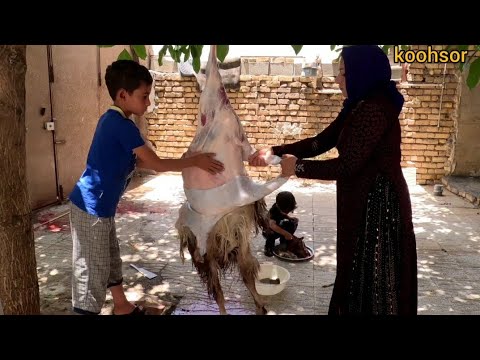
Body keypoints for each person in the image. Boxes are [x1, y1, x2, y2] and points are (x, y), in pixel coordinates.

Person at [249, 45, 417, 315]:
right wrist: (276, 151)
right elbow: (322, 142)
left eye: (343, 73)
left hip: (379, 206)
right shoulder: (357, 106)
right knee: (356, 269)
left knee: (374, 273)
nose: (338, 79)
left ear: (362, 73)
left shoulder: (376, 110)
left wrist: (298, 168)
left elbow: (347, 165)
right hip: (361, 198)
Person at [68, 60, 224, 315]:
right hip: (90, 208)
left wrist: (185, 156)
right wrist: (195, 161)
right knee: (91, 271)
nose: (148, 103)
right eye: (144, 96)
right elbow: (156, 164)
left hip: (100, 207)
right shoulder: (120, 125)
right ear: (122, 95)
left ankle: (122, 306)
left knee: (110, 257)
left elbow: (145, 157)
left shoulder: (116, 121)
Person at [262, 191, 298, 257]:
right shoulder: (273, 210)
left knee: (293, 223)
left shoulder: (280, 207)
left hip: (277, 226)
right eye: (285, 211)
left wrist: (289, 218)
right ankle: (268, 248)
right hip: (269, 230)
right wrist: (286, 233)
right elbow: (272, 225)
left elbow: (282, 215)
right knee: (271, 233)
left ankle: (284, 242)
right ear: (279, 206)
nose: (287, 213)